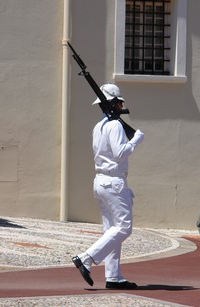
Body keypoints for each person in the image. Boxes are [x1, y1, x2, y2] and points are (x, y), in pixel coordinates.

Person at [72, 83, 144, 290]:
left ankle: (114, 277)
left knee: (111, 231)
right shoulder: (115, 126)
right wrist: (137, 139)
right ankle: (86, 258)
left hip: (101, 181)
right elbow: (120, 153)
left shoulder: (99, 126)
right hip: (114, 182)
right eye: (120, 102)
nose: (122, 105)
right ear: (114, 104)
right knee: (123, 228)